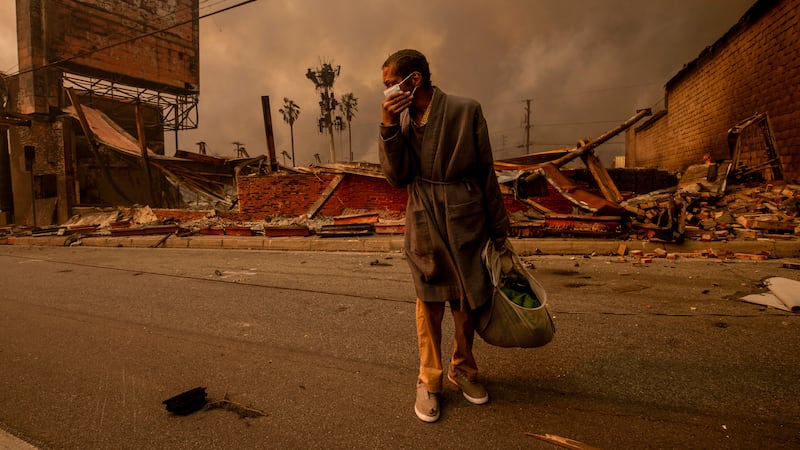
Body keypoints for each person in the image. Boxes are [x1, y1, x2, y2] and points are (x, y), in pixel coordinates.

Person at [378, 49, 510, 423]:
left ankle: (463, 369)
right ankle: (429, 380)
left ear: (414, 79)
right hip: (423, 217)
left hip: (465, 216)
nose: (388, 92)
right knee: (429, 304)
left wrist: (498, 229)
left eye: (391, 84)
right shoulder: (401, 123)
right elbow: (396, 177)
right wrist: (387, 125)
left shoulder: (466, 110)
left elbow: (486, 172)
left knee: (466, 303)